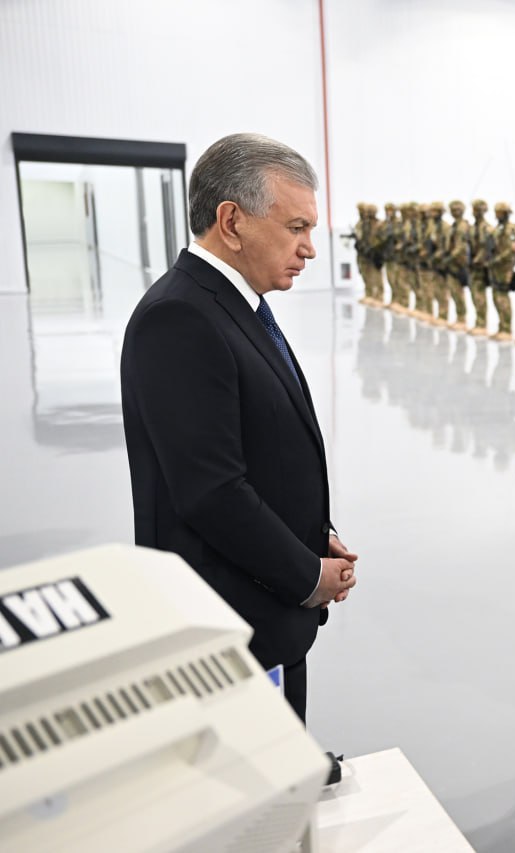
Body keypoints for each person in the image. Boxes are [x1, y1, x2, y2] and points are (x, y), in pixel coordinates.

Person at [120, 133, 357, 722]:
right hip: (228, 625)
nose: (309, 249)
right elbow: (211, 490)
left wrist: (309, 532)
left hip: (263, 607)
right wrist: (307, 575)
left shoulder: (235, 305)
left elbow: (261, 448)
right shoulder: (180, 317)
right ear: (232, 221)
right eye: (296, 227)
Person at [488, 201, 515, 341]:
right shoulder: (497, 229)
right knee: (496, 297)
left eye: (500, 213)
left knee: (503, 297)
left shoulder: (511, 229)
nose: (498, 215)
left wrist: (498, 259)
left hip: (505, 267)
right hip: (495, 268)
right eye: (497, 213)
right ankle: (501, 326)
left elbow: (512, 250)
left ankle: (507, 328)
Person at [444, 199, 473, 331]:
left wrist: (449, 257)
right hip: (452, 264)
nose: (455, 213)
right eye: (453, 211)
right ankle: (459, 317)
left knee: (459, 292)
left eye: (458, 210)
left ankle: (462, 318)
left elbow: (461, 247)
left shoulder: (463, 227)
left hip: (460, 264)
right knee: (454, 292)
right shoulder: (454, 226)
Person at [468, 199, 492, 336]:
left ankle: (482, 323)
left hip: (481, 267)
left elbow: (486, 248)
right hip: (473, 266)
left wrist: (477, 261)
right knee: (475, 294)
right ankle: (479, 321)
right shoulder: (473, 228)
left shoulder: (486, 228)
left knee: (480, 295)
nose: (475, 213)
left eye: (478, 210)